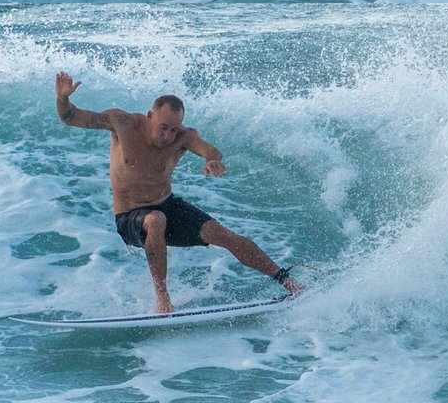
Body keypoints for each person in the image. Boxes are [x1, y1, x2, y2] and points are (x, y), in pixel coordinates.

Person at [54, 72, 304, 313]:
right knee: (155, 219)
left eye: (174, 129)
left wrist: (211, 161)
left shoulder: (182, 137)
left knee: (221, 234)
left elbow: (211, 150)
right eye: (163, 127)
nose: (167, 136)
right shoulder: (123, 123)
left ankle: (288, 281)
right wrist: (63, 98)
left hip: (167, 205)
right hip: (130, 216)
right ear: (150, 115)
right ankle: (162, 298)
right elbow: (70, 117)